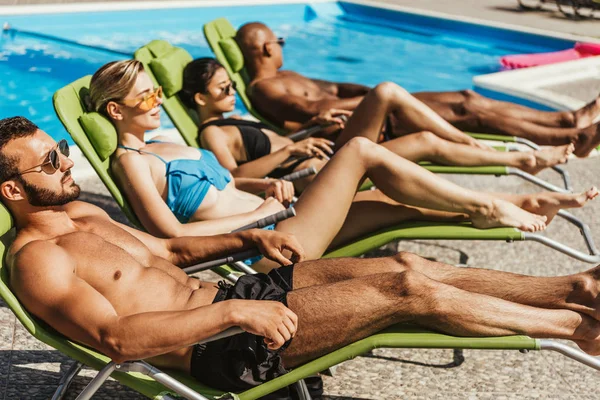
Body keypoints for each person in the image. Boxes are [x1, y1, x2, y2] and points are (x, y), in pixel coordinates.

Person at [3, 116, 600, 399]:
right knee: (404, 296)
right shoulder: (36, 260)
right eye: (49, 162)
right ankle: (576, 329)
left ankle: (579, 289)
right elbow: (115, 338)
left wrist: (247, 240)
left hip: (235, 299)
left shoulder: (83, 215)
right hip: (221, 347)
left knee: (408, 269)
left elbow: (170, 248)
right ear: (11, 190)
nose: (65, 163)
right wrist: (235, 317)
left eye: (59, 151)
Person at [88, 60, 598, 273]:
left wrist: (260, 184)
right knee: (359, 153)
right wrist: (259, 212)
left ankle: (509, 203)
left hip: (282, 215)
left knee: (394, 200)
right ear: (116, 110)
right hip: (266, 246)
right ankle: (495, 197)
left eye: (156, 91)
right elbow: (173, 238)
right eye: (146, 96)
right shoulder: (132, 163)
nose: (157, 100)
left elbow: (221, 185)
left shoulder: (167, 144)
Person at [182, 57, 573, 192]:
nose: (231, 91)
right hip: (321, 174)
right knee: (393, 102)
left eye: (231, 84)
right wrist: (292, 149)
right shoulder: (213, 132)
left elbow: (276, 145)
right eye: (222, 88)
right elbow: (233, 177)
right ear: (200, 99)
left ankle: (498, 153)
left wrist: (308, 129)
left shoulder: (232, 119)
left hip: (328, 156)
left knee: (396, 104)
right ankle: (508, 157)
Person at [235, 22, 600, 158]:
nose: (283, 45)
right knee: (466, 114)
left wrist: (366, 92)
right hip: (366, 128)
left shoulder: (290, 73)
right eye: (279, 40)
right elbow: (311, 112)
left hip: (374, 107)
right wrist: (371, 98)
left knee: (466, 97)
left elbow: (334, 88)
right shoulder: (264, 89)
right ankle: (570, 137)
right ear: (267, 47)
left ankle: (567, 118)